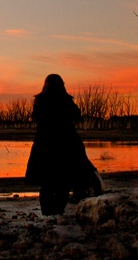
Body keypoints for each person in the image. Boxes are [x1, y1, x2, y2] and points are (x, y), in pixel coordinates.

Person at [24, 74, 103, 215]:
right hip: (66, 144)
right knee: (64, 181)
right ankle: (57, 211)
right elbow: (77, 115)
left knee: (47, 181)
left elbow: (36, 116)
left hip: (45, 144)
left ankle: (48, 213)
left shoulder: (40, 100)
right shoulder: (65, 100)